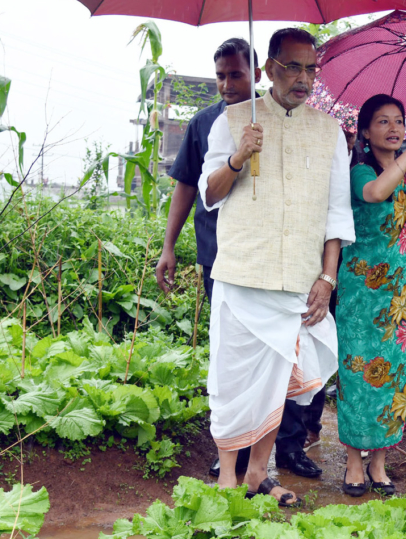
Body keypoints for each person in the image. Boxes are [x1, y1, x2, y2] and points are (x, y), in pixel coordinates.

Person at [198, 28, 354, 507]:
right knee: (233, 379)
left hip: (299, 279)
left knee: (277, 380)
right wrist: (239, 155)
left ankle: (258, 475)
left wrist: (327, 278)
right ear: (268, 69)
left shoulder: (330, 132)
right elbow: (209, 192)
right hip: (243, 274)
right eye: (292, 67)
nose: (303, 78)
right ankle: (228, 477)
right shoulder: (232, 120)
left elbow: (336, 213)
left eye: (311, 68)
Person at [153, 38, 264, 480]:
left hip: (269, 257)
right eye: (220, 75)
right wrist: (168, 246)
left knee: (271, 356)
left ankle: (280, 451)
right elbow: (184, 186)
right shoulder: (204, 124)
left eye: (235, 74)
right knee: (230, 354)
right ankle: (230, 452)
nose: (226, 83)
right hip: (218, 255)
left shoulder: (278, 119)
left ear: (256, 74)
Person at [336, 94, 406, 497]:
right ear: (365, 132)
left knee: (394, 377)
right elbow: (374, 195)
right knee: (358, 374)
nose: (394, 129)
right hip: (362, 295)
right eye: (382, 122)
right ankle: (352, 461)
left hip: (400, 294)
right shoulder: (358, 172)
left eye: (399, 121)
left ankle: (379, 463)